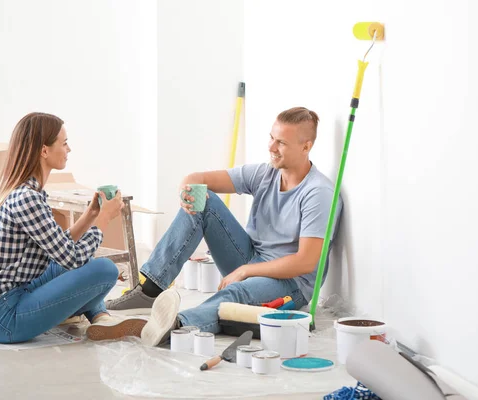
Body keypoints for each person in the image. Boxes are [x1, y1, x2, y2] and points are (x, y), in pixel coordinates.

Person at [107, 107, 343, 347]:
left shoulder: (318, 193)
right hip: (251, 259)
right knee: (203, 201)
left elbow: (306, 262)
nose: (271, 147)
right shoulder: (265, 173)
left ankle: (175, 325)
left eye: (281, 142)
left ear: (306, 147)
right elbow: (196, 178)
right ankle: (149, 290)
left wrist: (246, 272)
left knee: (235, 295)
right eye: (271, 138)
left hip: (290, 282)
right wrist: (187, 192)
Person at [0, 112, 146, 344]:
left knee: (84, 263)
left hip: (3, 300)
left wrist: (90, 216)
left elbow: (59, 248)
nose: (69, 149)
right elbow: (70, 258)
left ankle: (101, 318)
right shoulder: (26, 198)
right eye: (64, 143)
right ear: (44, 150)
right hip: (0, 317)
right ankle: (99, 316)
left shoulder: (26, 192)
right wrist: (105, 219)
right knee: (105, 270)